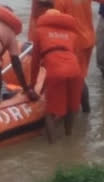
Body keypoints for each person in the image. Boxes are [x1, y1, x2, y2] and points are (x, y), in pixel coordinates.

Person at [54, 0, 104, 111]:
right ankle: (80, 107)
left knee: (78, 78)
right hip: (90, 39)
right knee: (80, 74)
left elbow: (57, 24)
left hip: (74, 44)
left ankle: (85, 110)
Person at [30, 9, 83, 143]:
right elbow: (77, 56)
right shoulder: (72, 34)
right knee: (72, 108)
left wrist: (31, 86)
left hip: (55, 70)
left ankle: (53, 145)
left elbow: (35, 62)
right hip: (75, 71)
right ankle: (69, 138)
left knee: (50, 112)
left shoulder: (40, 32)